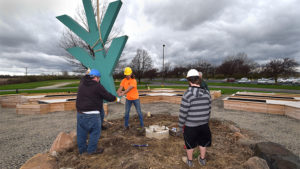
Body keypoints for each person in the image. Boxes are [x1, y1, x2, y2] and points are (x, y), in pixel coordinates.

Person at [76, 69, 117, 154]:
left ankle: (82, 150)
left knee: (81, 133)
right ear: (96, 77)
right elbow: (107, 96)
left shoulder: (82, 84)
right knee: (95, 133)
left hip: (80, 113)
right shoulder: (97, 86)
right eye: (98, 78)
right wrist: (115, 98)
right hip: (92, 115)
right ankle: (91, 150)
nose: (99, 80)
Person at [179, 69, 212, 167]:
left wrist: (180, 127)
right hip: (204, 125)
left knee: (190, 145)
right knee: (203, 143)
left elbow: (183, 113)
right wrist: (205, 121)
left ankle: (190, 161)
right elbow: (209, 109)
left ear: (189, 81)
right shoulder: (207, 93)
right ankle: (202, 159)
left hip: (190, 126)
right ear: (199, 79)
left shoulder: (187, 94)